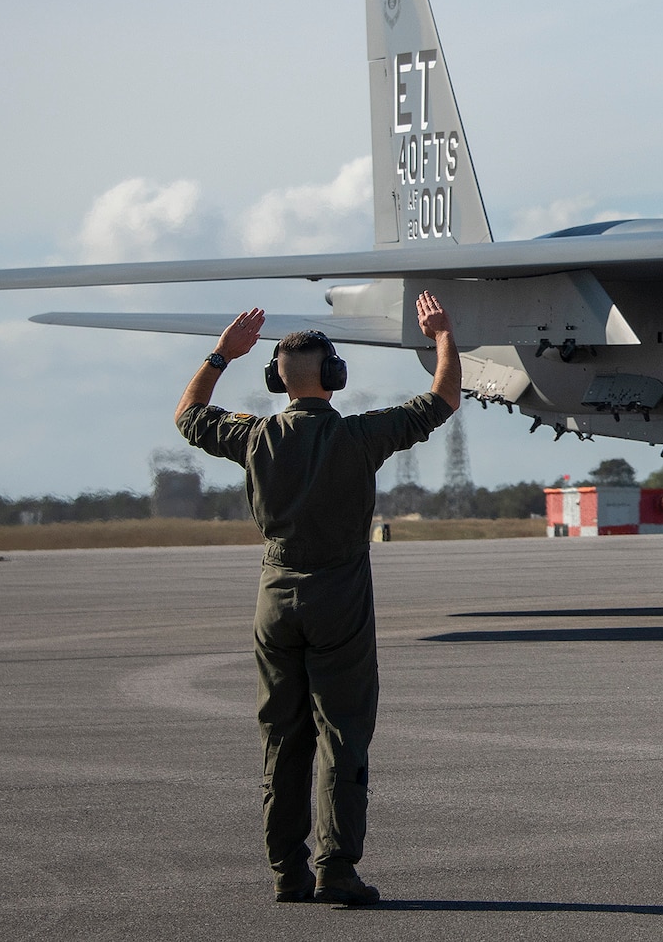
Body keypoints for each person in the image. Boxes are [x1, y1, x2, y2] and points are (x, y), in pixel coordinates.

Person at [175, 292, 459, 906]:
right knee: (343, 732)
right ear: (335, 376)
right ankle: (337, 867)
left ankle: (287, 871)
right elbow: (441, 401)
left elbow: (190, 415)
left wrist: (222, 355)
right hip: (340, 592)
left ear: (277, 381)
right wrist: (440, 337)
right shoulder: (360, 437)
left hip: (275, 595)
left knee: (283, 736)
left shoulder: (253, 438)